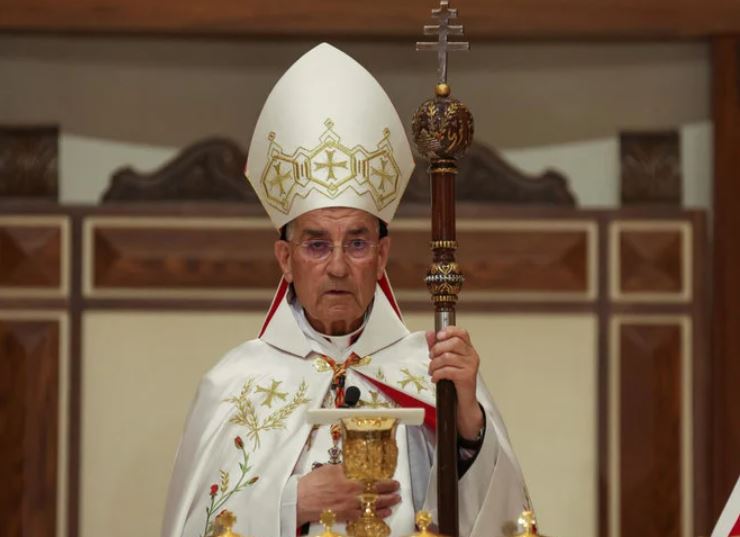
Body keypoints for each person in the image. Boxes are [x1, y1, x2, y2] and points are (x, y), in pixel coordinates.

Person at [161, 43, 529, 537]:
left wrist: (468, 428)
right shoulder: (236, 382)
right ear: (285, 261)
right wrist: (293, 502)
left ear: (381, 257)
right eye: (316, 244)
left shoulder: (432, 368)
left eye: (356, 242)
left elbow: (498, 517)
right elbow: (191, 529)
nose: (337, 266)